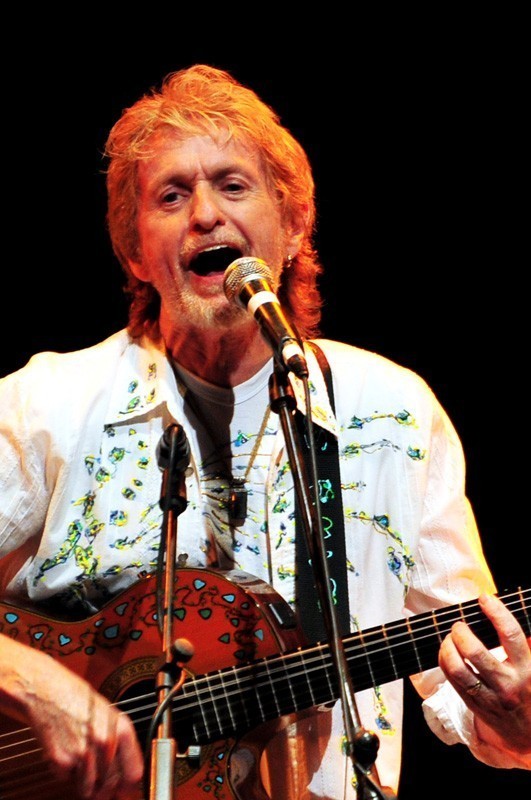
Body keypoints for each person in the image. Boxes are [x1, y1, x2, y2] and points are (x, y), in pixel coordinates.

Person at [0, 64, 529, 800]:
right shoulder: (45, 404)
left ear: (294, 225)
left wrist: (519, 722)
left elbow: (478, 707)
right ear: (133, 251)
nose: (205, 215)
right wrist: (33, 682)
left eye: (233, 185)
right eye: (171, 195)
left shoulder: (391, 414)